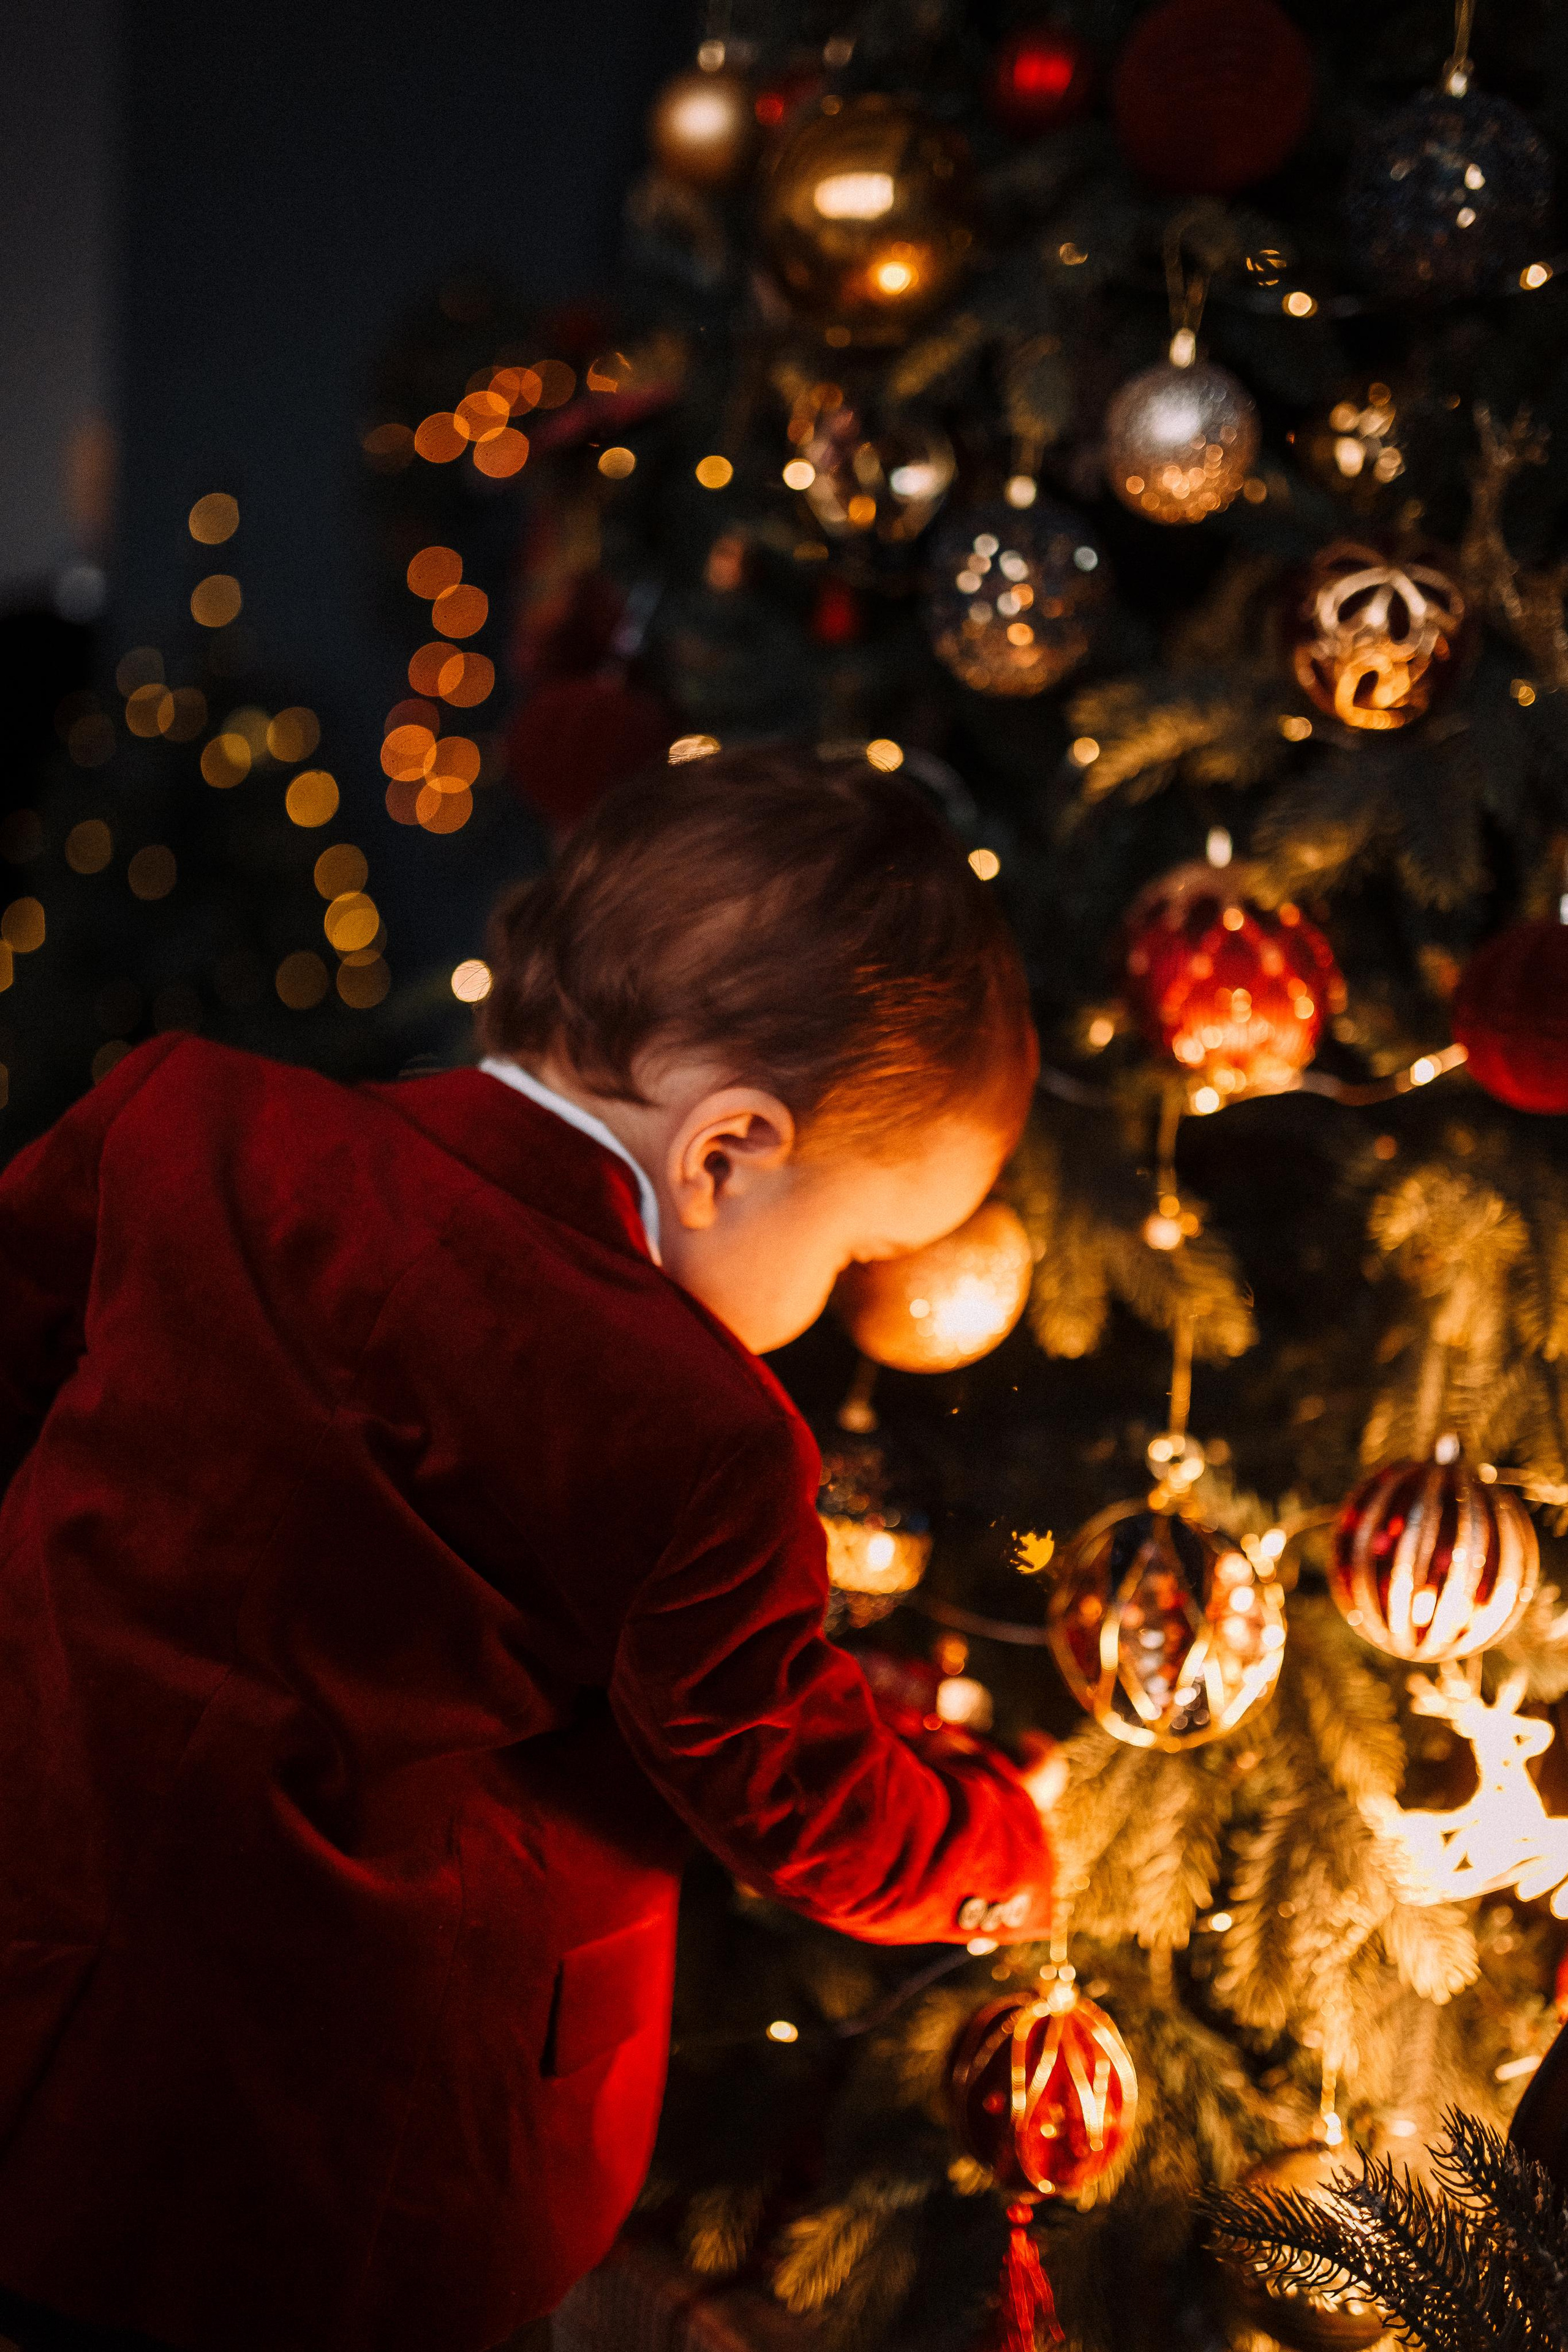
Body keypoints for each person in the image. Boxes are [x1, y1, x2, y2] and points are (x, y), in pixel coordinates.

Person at [0, 747, 1053, 2352]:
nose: (846, 1316)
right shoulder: (695, 1429)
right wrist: (991, 1846)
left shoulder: (191, 1119)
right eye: (856, 1257)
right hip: (353, 2143)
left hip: (40, 1961)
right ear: (728, 1152)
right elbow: (786, 1784)